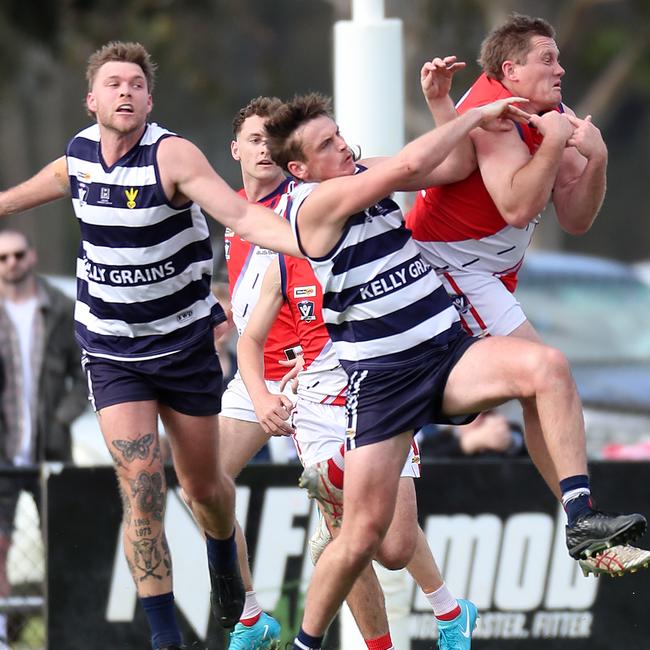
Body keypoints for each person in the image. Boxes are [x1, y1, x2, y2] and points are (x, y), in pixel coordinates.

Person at [261, 86, 646, 650]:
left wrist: (450, 110)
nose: (344, 146)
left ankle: (582, 518)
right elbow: (417, 161)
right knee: (365, 539)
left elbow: (451, 164)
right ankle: (305, 643)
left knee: (548, 369)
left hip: (446, 355)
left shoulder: (361, 169)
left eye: (340, 134)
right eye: (327, 143)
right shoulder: (312, 205)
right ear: (299, 168)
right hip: (385, 382)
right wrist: (478, 115)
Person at [0, 42, 299, 650]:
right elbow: (35, 188)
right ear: (93, 100)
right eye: (113, 84)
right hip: (112, 349)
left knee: (205, 488)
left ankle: (222, 556)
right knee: (140, 480)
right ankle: (165, 638)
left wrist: (304, 240)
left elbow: (239, 217)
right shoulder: (79, 157)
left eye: (136, 84)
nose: (126, 92)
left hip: (184, 345)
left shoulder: (173, 156)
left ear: (149, 100)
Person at [405, 18, 650, 576]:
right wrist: (558, 144)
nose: (561, 69)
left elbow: (577, 218)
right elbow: (517, 206)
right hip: (445, 265)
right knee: (548, 372)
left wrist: (599, 159)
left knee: (548, 381)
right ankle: (581, 521)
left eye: (560, 58)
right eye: (547, 59)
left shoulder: (550, 116)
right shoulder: (492, 111)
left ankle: (582, 522)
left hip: (486, 275)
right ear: (510, 70)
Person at [237, 252, 479, 649]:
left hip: (381, 396)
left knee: (396, 549)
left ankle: (451, 611)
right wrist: (261, 397)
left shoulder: (377, 244)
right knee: (350, 544)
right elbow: (250, 340)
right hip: (317, 409)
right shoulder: (284, 260)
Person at [218, 96, 300, 650]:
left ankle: (445, 611)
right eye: (254, 138)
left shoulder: (304, 200)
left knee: (364, 533)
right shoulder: (229, 214)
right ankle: (252, 618)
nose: (264, 147)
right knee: (202, 484)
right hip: (255, 379)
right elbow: (246, 299)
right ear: (235, 150)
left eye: (275, 138)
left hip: (316, 375)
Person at [0, 229, 88, 647]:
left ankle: (64, 628)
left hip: (50, 449)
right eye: (3, 258)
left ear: (32, 256)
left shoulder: (60, 308)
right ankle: (3, 632)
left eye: (18, 254)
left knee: (63, 544)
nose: (12, 263)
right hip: (3, 450)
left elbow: (86, 371)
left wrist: (62, 417)